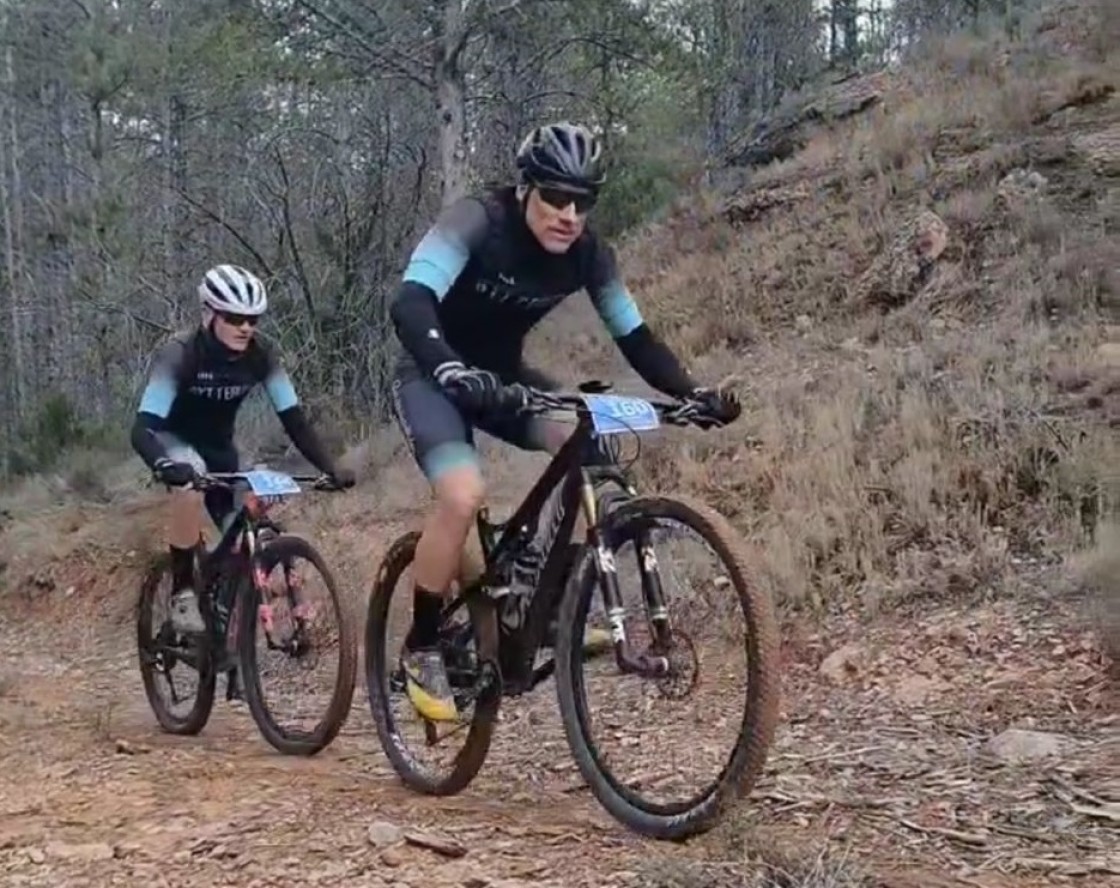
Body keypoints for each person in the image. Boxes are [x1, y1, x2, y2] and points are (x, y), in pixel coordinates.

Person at [388, 122, 741, 723]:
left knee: (589, 444)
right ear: (526, 188)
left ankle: (546, 602)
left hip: (504, 380)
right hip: (433, 378)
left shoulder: (589, 256)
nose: (569, 213)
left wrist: (693, 392)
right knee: (462, 494)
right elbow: (411, 299)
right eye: (555, 196)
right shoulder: (480, 221)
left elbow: (636, 338)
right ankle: (422, 647)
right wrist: (447, 366)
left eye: (584, 201)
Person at [130, 264, 355, 639]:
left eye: (252, 319)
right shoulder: (181, 354)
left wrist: (330, 466)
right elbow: (142, 429)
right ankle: (184, 595)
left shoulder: (260, 355)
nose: (246, 327)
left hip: (221, 450)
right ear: (210, 315)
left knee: (253, 511)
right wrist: (164, 464)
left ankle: (227, 606)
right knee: (191, 479)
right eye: (235, 318)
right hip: (173, 441)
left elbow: (294, 420)